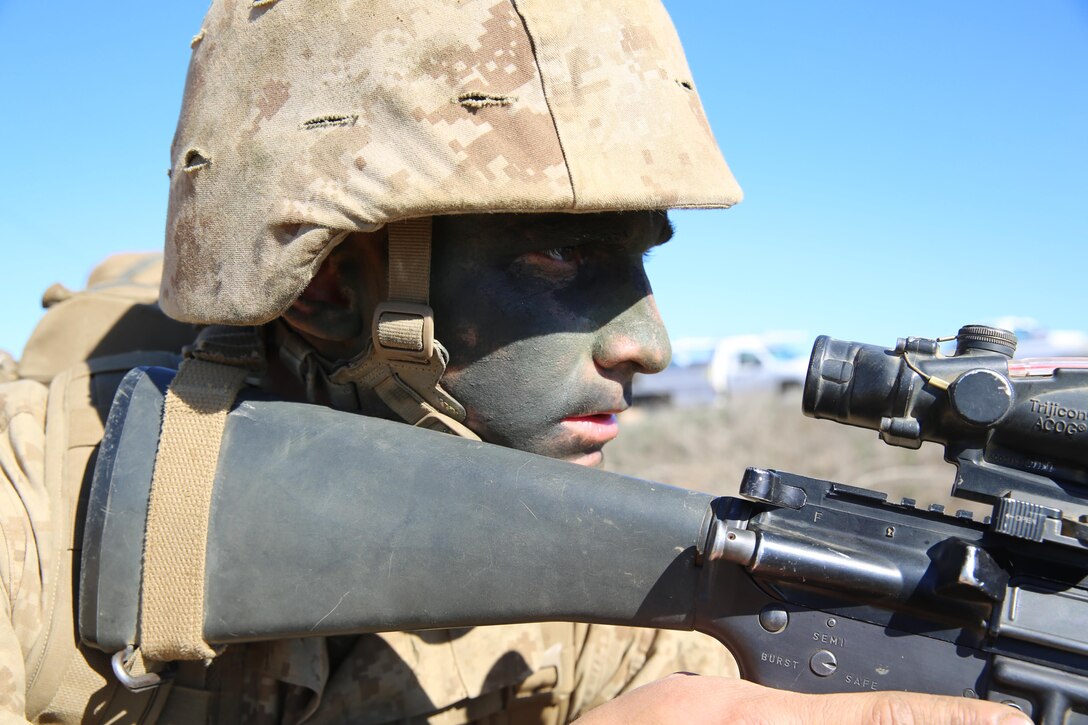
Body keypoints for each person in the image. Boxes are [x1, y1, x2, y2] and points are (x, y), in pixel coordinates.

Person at [0, 1, 1028, 723]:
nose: (650, 345)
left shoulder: (529, 532)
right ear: (328, 288)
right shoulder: (28, 528)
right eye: (563, 255)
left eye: (637, 262)